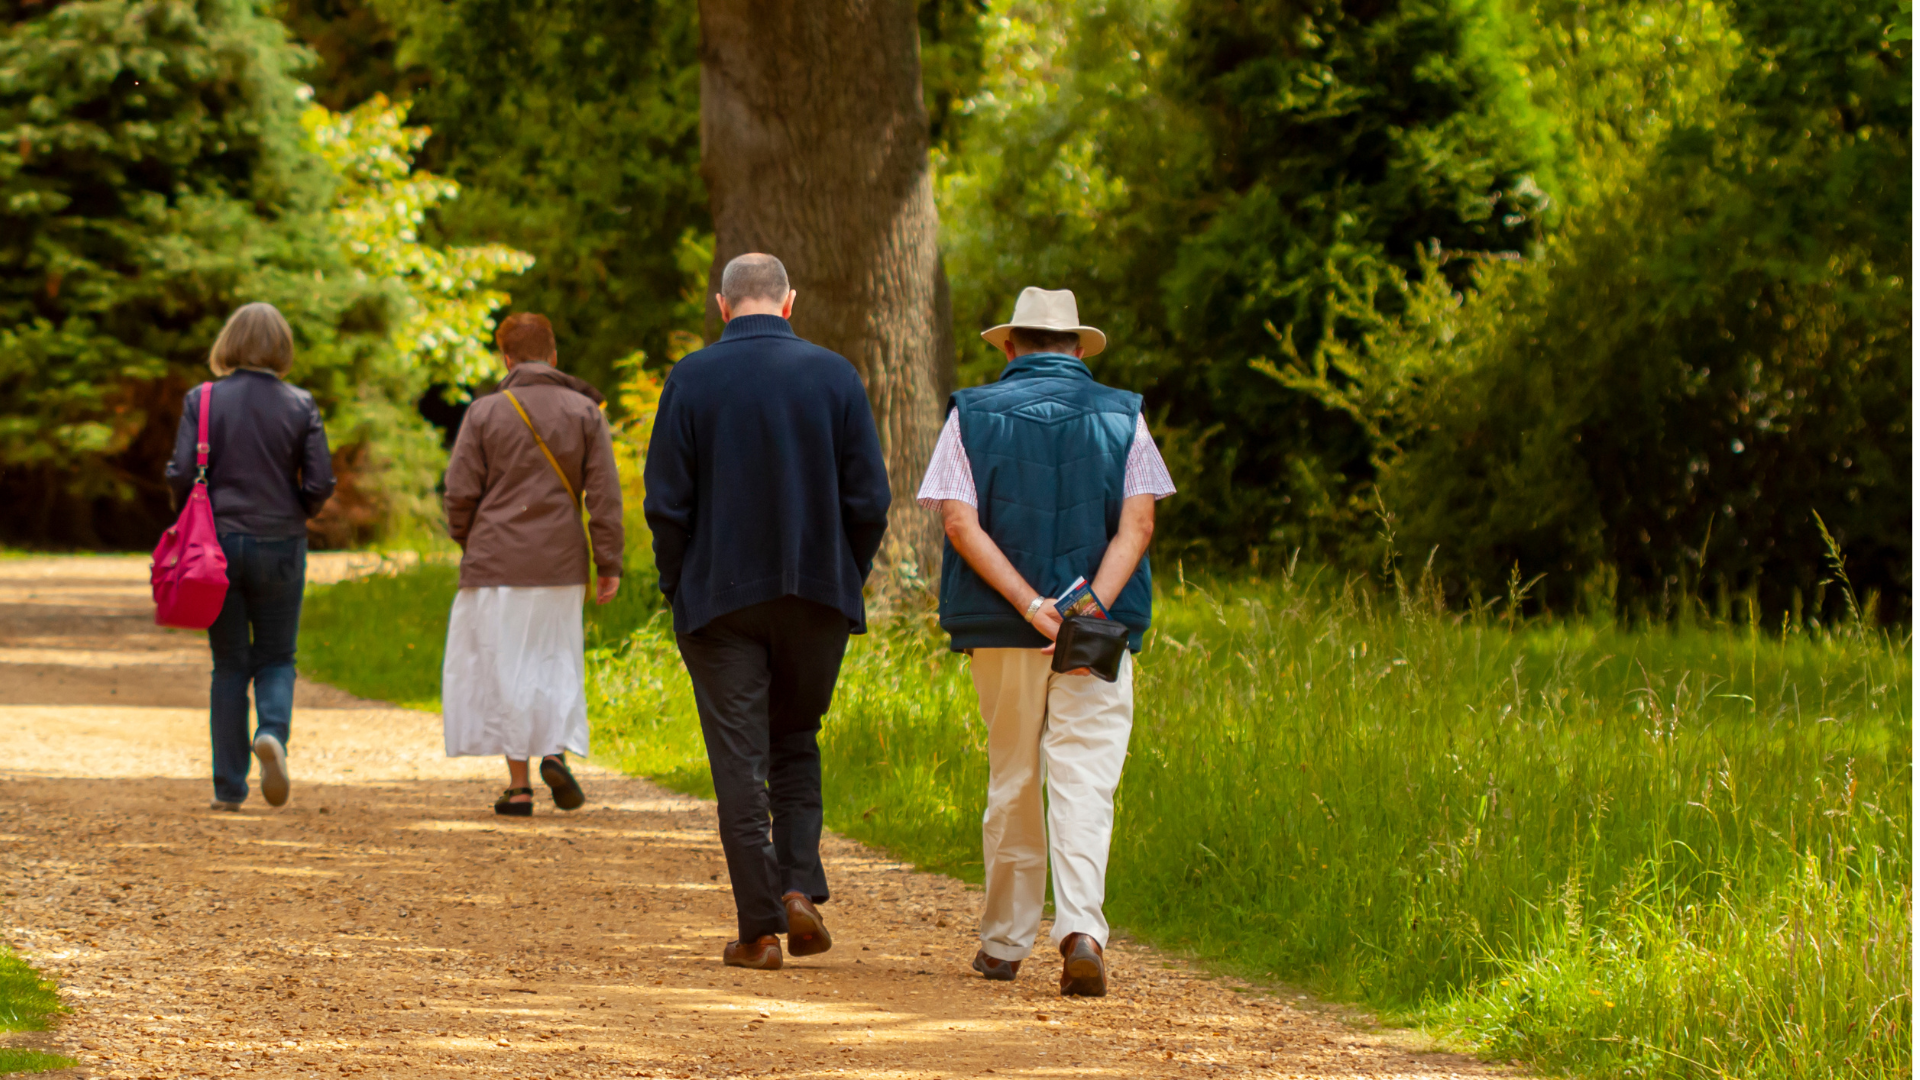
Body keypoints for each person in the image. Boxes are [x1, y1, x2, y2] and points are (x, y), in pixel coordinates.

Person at [917, 286, 1175, 997]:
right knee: (1087, 776)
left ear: (1009, 346)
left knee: (1014, 778)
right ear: (1077, 349)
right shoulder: (1126, 415)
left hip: (1004, 627)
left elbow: (960, 525)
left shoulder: (969, 413)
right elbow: (1140, 526)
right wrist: (1087, 607)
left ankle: (1003, 945)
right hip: (1100, 629)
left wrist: (1034, 607)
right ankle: (1082, 931)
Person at [644, 252, 891, 971]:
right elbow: (869, 502)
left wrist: (676, 587)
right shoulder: (836, 375)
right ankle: (796, 887)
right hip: (817, 593)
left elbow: (667, 504)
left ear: (723, 307)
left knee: (738, 761)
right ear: (790, 302)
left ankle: (758, 929)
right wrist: (845, 574)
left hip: (720, 600)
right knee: (795, 738)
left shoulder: (691, 378)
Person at [441, 313, 624, 816]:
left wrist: (470, 541)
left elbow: (459, 493)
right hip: (561, 564)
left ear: (506, 358)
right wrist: (607, 560)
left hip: (496, 560)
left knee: (504, 667)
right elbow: (604, 497)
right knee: (554, 658)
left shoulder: (484, 413)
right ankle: (554, 753)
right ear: (554, 355)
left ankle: (519, 787)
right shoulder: (587, 411)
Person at [165, 302, 336, 812]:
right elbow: (322, 480)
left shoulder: (205, 397)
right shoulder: (300, 403)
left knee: (230, 664)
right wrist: (298, 509)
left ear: (229, 344)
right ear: (282, 349)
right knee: (278, 656)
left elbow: (179, 471)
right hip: (282, 540)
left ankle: (228, 788)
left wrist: (188, 517)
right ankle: (273, 735)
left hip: (215, 544)